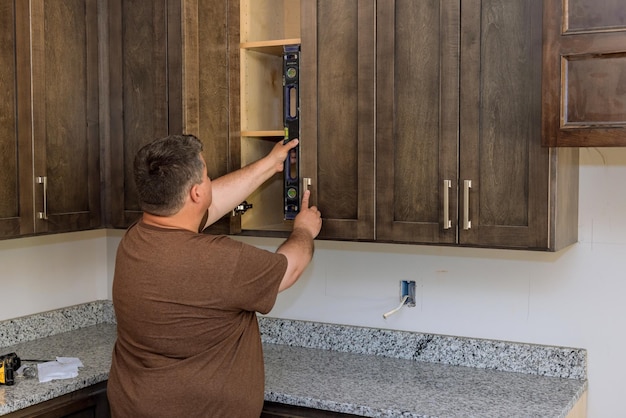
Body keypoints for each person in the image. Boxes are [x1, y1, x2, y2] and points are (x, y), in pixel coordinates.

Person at [107, 134, 322, 417]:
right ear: (196, 193)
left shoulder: (135, 239)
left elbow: (211, 203)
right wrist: (304, 230)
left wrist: (270, 164)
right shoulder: (220, 260)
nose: (210, 182)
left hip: (134, 406)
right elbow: (290, 267)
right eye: (207, 176)